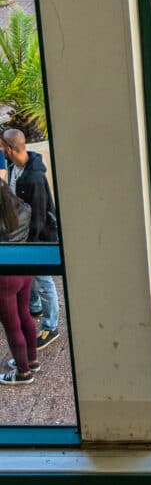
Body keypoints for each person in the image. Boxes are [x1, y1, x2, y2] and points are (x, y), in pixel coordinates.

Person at [1, 129, 60, 351]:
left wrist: (30, 244)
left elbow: (39, 217)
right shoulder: (15, 167)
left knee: (44, 282)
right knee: (32, 278)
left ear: (9, 149)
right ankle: (34, 307)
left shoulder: (34, 177)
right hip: (24, 235)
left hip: (37, 238)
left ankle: (50, 326)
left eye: (1, 147)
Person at [0, 180, 38, 384]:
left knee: (12, 325)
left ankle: (22, 373)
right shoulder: (24, 208)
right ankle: (32, 360)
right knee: (25, 316)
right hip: (25, 267)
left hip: (5, 277)